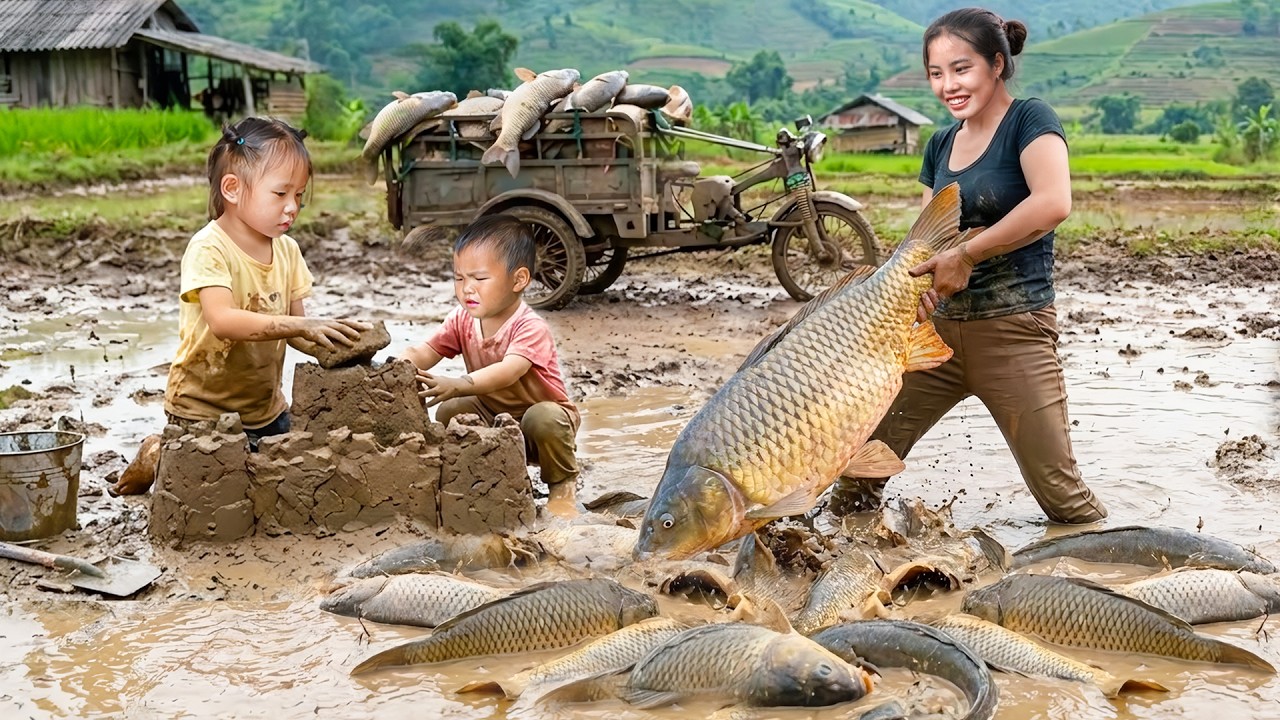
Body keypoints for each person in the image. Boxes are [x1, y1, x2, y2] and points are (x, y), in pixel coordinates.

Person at [829, 7, 1108, 524]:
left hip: (1014, 333)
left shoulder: (1030, 120)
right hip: (932, 344)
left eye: (962, 69)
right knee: (856, 478)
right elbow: (923, 241)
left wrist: (968, 254)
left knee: (1064, 501)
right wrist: (911, 290)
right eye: (936, 73)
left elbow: (1052, 204)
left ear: (996, 64)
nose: (948, 85)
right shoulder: (940, 145)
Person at [161, 117, 367, 451]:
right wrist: (302, 324)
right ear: (232, 189)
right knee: (210, 485)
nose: (292, 207)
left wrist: (342, 341)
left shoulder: (287, 249)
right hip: (201, 411)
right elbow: (223, 321)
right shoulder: (209, 247)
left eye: (299, 195)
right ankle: (157, 452)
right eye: (280, 193)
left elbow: (298, 329)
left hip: (266, 411)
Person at [400, 214, 581, 513]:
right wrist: (401, 362)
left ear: (518, 279)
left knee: (543, 417)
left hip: (541, 425)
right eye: (459, 278)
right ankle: (472, 476)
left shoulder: (529, 326)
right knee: (450, 410)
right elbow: (426, 352)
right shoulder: (461, 320)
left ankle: (563, 486)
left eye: (480, 278)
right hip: (492, 415)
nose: (467, 288)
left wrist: (458, 384)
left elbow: (509, 372)